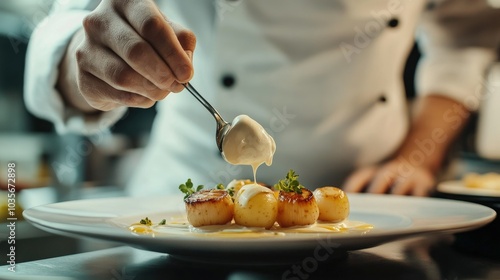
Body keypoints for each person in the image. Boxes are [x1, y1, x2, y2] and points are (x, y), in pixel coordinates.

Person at [24, 0, 500, 196]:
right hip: (180, 199)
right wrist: (81, 63)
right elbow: (73, 23)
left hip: (373, 207)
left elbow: (467, 31)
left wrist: (419, 155)